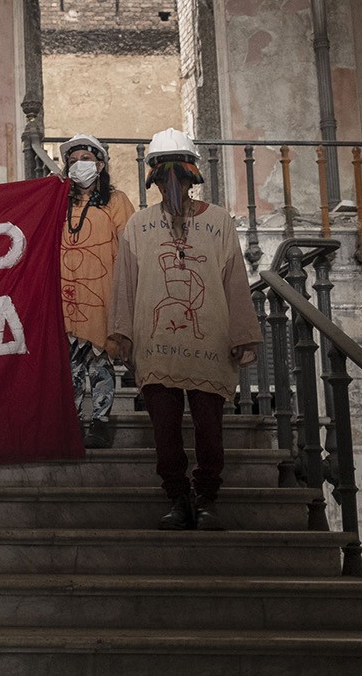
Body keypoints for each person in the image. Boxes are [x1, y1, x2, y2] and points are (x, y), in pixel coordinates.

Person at [107, 128, 260, 531]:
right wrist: (122, 333)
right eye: (163, 177)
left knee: (210, 428)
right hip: (156, 342)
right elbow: (125, 283)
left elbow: (234, 280)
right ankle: (177, 497)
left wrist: (242, 334)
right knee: (165, 429)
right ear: (154, 181)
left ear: (192, 177)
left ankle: (206, 497)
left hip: (209, 339)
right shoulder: (138, 225)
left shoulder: (219, 221)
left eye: (178, 175)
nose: (171, 184)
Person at [57, 133, 135, 449]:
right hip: (65, 294)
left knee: (100, 362)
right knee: (70, 366)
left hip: (103, 294)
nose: (79, 166)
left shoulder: (116, 201)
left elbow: (129, 248)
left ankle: (100, 422)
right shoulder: (58, 200)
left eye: (86, 159)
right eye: (73, 161)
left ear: (100, 165)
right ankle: (72, 422)